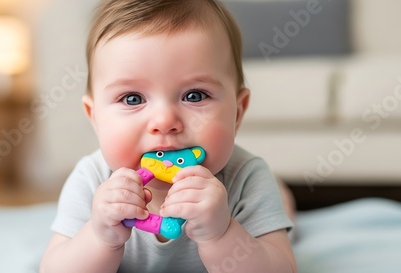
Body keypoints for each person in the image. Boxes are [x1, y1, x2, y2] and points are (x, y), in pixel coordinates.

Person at [40, 0, 296, 272]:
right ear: (95, 117)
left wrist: (221, 234)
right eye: (132, 98)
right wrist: (100, 237)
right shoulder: (91, 180)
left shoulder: (246, 178)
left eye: (194, 96)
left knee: (280, 211)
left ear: (237, 112)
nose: (164, 122)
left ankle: (283, 202)